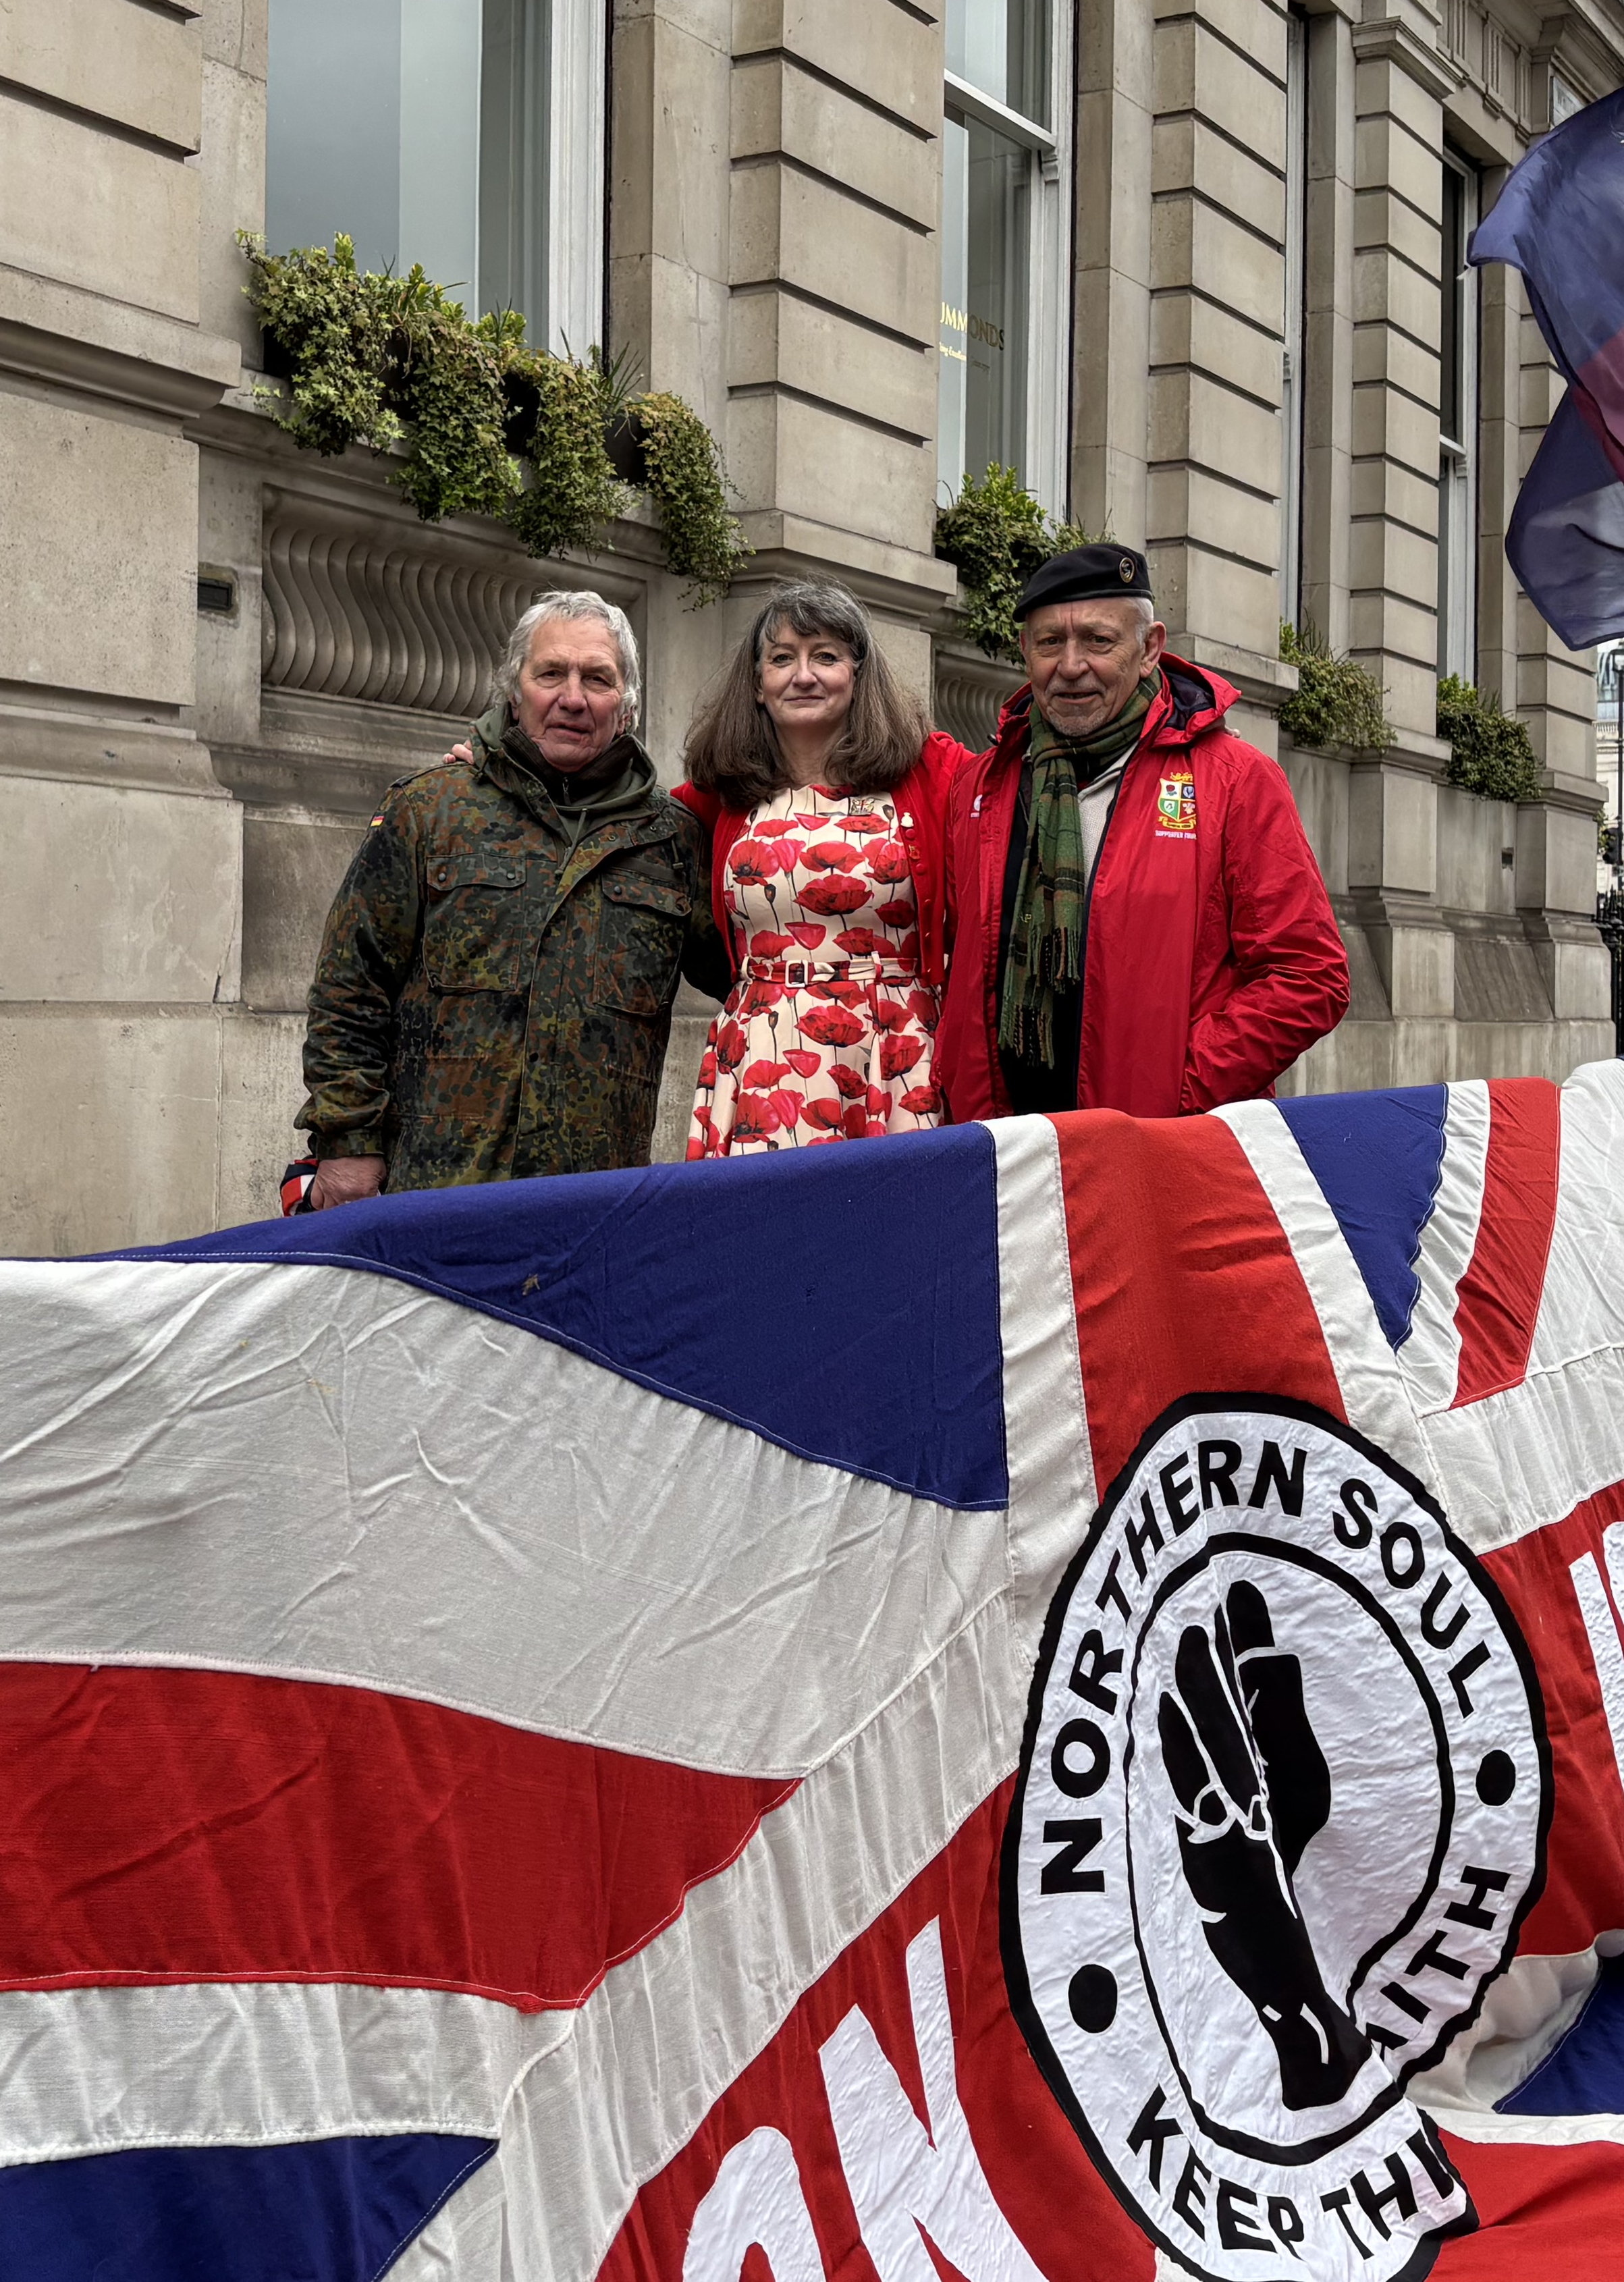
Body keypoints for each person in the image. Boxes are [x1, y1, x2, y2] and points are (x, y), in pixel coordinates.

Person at [296, 591, 728, 1205]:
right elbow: (349, 988)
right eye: (550, 673)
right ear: (513, 690)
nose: (572, 698)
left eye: (597, 679)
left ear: (627, 706)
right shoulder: (430, 809)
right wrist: (346, 1143)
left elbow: (756, 977)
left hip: (592, 1209)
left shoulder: (673, 840)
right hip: (434, 1195)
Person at [936, 545, 1351, 1121]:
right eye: (1050, 642)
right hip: (1005, 1152)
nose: (1071, 664)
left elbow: (1308, 976)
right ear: (1026, 651)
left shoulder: (1235, 782)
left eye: (1099, 641)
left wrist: (1180, 1088)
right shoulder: (983, 785)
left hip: (1161, 1153)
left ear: (1150, 648)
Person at [674, 584, 965, 1155]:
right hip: (762, 1052)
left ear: (858, 674)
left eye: (825, 656)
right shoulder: (720, 796)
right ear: (758, 684)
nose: (802, 675)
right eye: (782, 658)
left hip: (893, 1052)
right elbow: (624, 809)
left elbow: (1008, 790)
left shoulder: (932, 773)